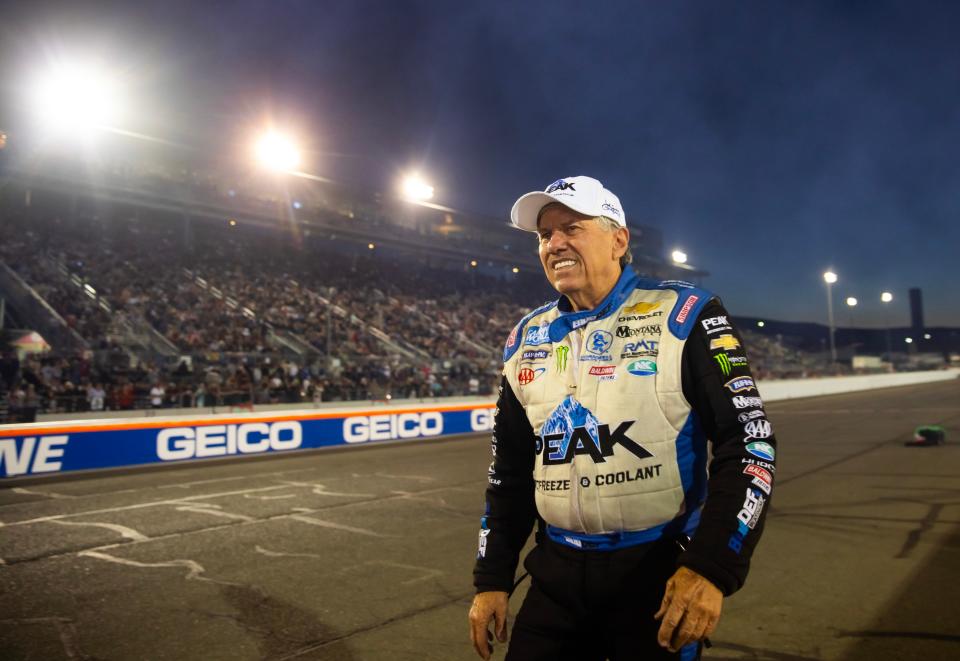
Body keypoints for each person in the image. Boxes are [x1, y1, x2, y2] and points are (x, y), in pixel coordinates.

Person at [469, 176, 777, 660]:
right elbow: (507, 475)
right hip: (555, 577)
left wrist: (712, 566)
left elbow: (751, 445)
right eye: (545, 235)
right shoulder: (524, 338)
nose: (556, 244)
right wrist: (492, 579)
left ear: (619, 240)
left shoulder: (688, 312)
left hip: (655, 575)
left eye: (572, 227)